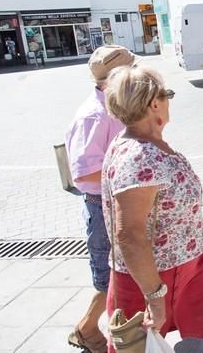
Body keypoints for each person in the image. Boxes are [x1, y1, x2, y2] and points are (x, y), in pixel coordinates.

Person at [102, 66, 203, 353]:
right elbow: (129, 234)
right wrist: (154, 296)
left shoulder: (150, 144)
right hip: (148, 277)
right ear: (154, 103)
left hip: (192, 264)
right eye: (168, 95)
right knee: (137, 347)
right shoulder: (138, 156)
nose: (169, 100)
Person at [65, 45, 136, 353]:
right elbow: (83, 176)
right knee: (110, 278)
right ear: (115, 78)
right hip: (102, 207)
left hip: (117, 203)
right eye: (132, 69)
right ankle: (87, 329)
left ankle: (92, 330)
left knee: (120, 275)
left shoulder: (114, 106)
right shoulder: (95, 115)